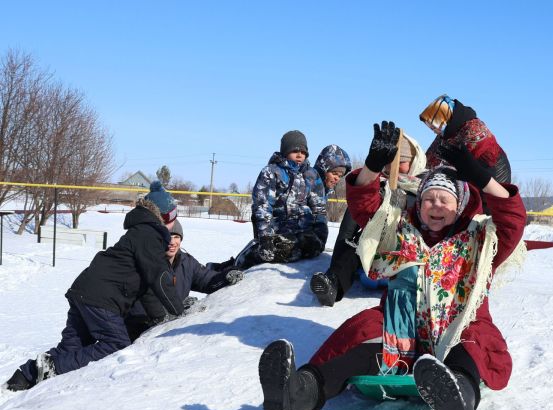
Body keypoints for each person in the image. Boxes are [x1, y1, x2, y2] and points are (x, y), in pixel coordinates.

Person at [258, 120, 526, 410]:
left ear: (459, 206)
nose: (436, 206)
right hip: (400, 327)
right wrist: (372, 167)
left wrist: (482, 177)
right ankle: (298, 393)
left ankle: (458, 399)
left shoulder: (479, 240)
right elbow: (365, 208)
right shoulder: (400, 232)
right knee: (360, 336)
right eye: (429, 199)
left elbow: (511, 219)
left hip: (458, 325)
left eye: (445, 200)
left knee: (472, 344)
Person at [3, 181, 185, 391]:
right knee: (117, 344)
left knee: (72, 347)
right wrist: (178, 311)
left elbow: (146, 286)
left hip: (84, 292)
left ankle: (24, 376)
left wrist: (160, 315)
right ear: (162, 217)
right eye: (172, 217)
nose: (173, 223)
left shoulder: (138, 233)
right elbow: (159, 276)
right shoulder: (150, 236)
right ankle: (53, 367)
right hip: (101, 300)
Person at [310, 133, 426, 307]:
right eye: (388, 162)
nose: (391, 167)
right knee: (354, 242)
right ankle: (334, 283)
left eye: (399, 162)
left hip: (408, 258)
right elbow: (358, 210)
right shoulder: (378, 185)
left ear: (414, 161)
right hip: (373, 258)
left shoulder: (428, 187)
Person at [124, 220, 244, 342]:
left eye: (176, 237)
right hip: (138, 329)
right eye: (168, 236)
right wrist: (173, 311)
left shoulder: (186, 262)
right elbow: (139, 303)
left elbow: (207, 280)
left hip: (170, 331)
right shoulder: (145, 262)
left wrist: (226, 276)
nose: (172, 242)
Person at [233, 130, 329, 270]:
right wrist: (265, 236)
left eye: (303, 152)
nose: (299, 155)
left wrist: (320, 235)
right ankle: (239, 262)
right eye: (295, 150)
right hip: (278, 231)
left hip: (303, 233)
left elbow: (319, 208)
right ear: (285, 151)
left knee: (308, 249)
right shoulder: (272, 172)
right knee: (271, 253)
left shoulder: (312, 175)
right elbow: (262, 205)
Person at [420, 93, 512, 187]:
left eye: (434, 127)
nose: (434, 132)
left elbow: (458, 160)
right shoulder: (446, 133)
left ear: (444, 119)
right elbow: (430, 158)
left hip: (494, 175)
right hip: (469, 174)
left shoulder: (474, 128)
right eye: (432, 129)